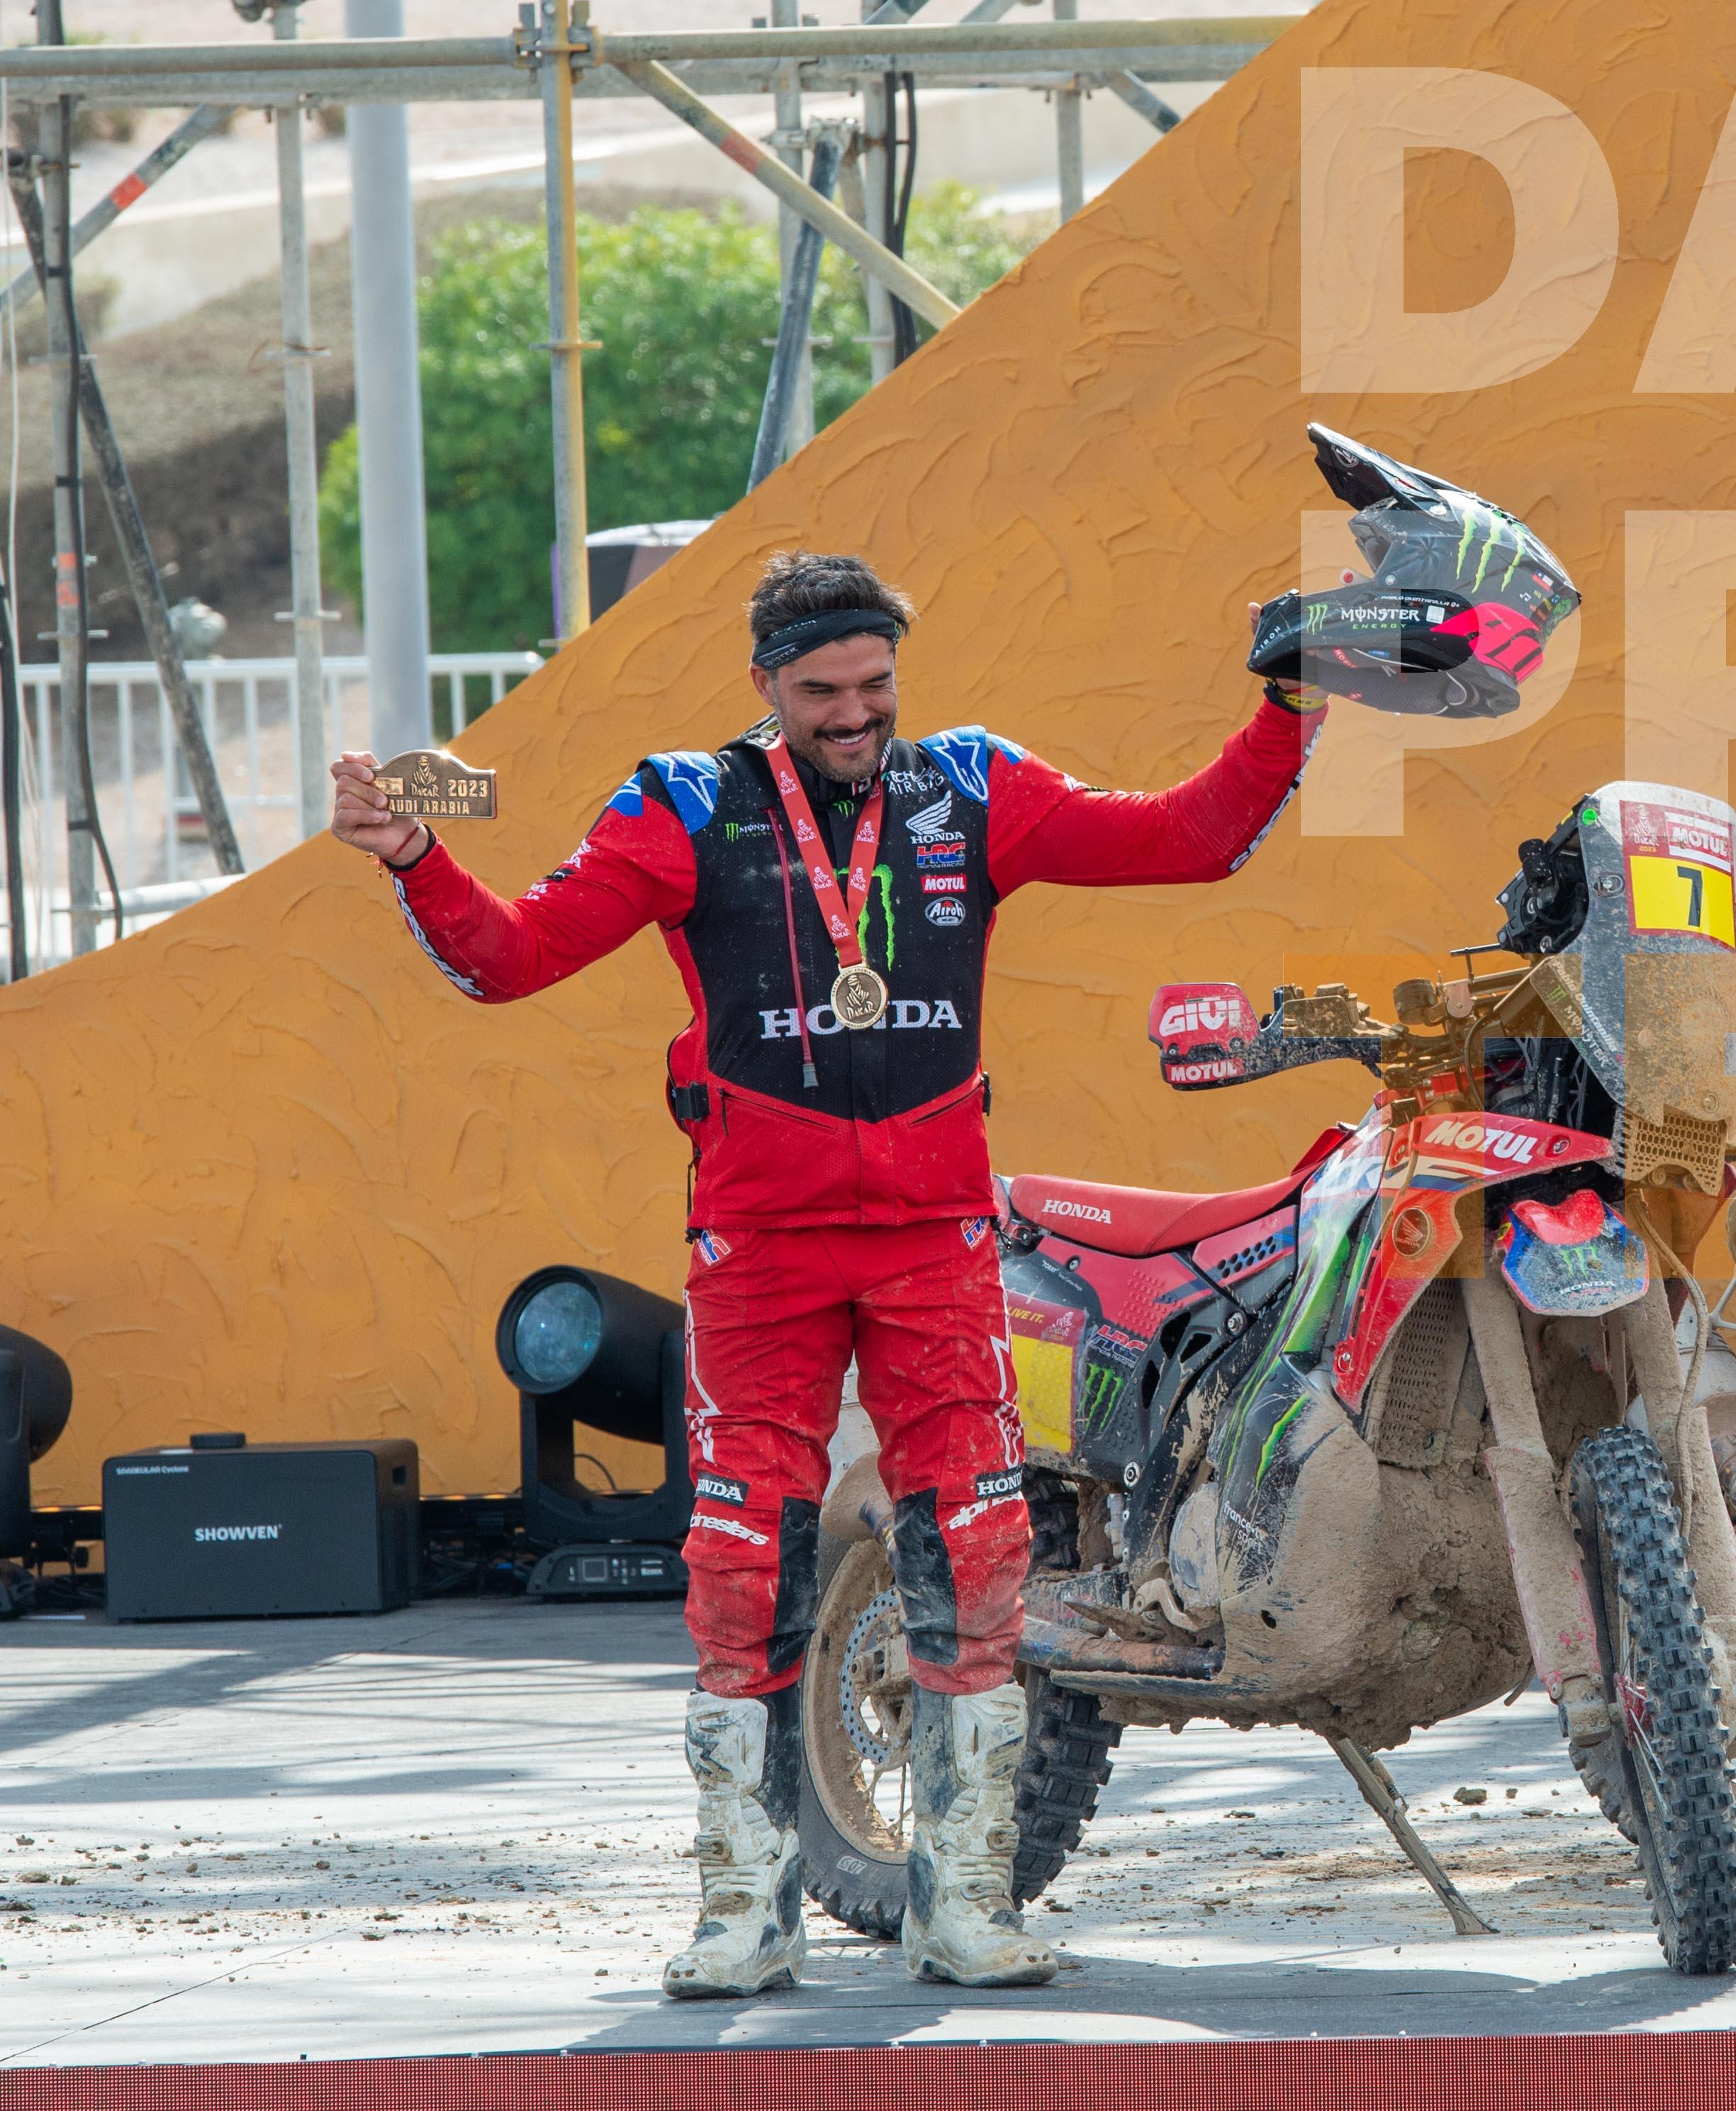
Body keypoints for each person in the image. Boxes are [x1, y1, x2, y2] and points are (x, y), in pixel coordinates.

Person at [329, 553, 1320, 1998]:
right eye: (820, 692)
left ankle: (965, 1905)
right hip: (762, 1247)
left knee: (979, 1543)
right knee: (739, 1560)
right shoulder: (681, 803)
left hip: (934, 1236)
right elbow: (513, 958)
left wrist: (1288, 705)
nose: (853, 714)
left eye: (873, 686)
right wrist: (415, 854)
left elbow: (1194, 835)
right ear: (764, 686)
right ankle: (745, 1911)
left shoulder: (972, 785)